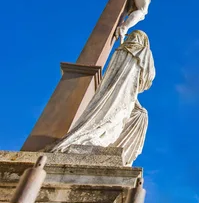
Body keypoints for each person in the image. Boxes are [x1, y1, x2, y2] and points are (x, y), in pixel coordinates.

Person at [49, 30, 156, 166]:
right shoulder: (142, 52)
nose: (133, 39)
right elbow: (147, 76)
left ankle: (114, 147)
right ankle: (94, 139)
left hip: (123, 93)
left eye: (136, 37)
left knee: (139, 114)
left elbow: (133, 84)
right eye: (133, 36)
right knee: (115, 115)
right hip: (116, 94)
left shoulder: (123, 51)